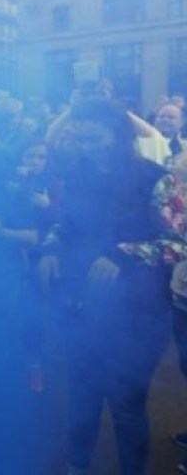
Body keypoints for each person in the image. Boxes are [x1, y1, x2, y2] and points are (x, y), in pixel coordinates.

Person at [38, 97, 187, 475]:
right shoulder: (77, 173)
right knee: (83, 394)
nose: (84, 148)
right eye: (80, 139)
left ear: (118, 135)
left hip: (139, 312)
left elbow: (179, 242)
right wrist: (51, 248)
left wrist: (124, 255)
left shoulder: (156, 177)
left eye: (93, 139)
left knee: (126, 402)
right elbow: (63, 223)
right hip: (81, 303)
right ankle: (77, 465)